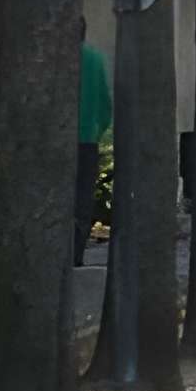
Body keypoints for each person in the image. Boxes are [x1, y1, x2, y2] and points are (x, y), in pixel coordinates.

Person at [75, 37, 114, 266]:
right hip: (86, 140)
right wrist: (96, 134)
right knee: (82, 202)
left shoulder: (50, 57)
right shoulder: (95, 59)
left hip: (58, 139)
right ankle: (76, 255)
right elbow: (105, 107)